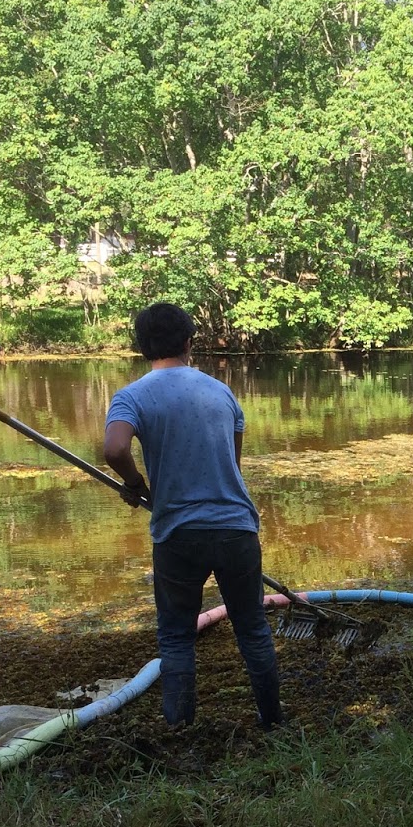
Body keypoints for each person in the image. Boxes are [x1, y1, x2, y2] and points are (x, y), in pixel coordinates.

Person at [103, 301, 283, 727]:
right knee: (252, 628)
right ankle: (273, 721)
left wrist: (134, 482)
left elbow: (114, 448)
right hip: (236, 528)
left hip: (177, 534)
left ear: (142, 346)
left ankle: (180, 728)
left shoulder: (132, 396)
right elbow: (232, 466)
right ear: (188, 342)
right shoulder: (221, 392)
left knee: (176, 635)